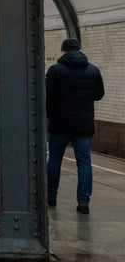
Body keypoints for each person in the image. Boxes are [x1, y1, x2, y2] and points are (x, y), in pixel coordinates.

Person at [45, 37, 104, 214]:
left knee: (54, 159)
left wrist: (50, 116)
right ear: (79, 50)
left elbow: (48, 96)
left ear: (63, 51)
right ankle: (83, 203)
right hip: (83, 125)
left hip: (60, 124)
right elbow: (99, 94)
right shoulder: (93, 70)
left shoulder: (55, 71)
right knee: (84, 164)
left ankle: (51, 197)